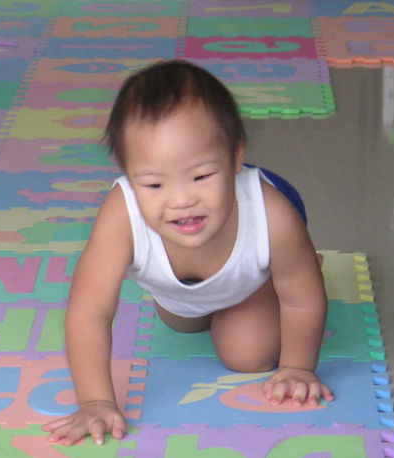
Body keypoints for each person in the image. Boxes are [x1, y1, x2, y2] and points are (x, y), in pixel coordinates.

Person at [43, 59, 334, 446]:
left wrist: (298, 368)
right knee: (180, 322)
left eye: (201, 176)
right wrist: (95, 400)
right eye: (153, 184)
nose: (181, 200)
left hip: (249, 283)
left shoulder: (271, 214)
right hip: (178, 293)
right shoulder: (120, 214)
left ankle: (293, 265)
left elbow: (302, 299)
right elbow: (89, 311)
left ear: (234, 157)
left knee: (247, 355)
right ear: (130, 176)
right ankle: (213, 294)